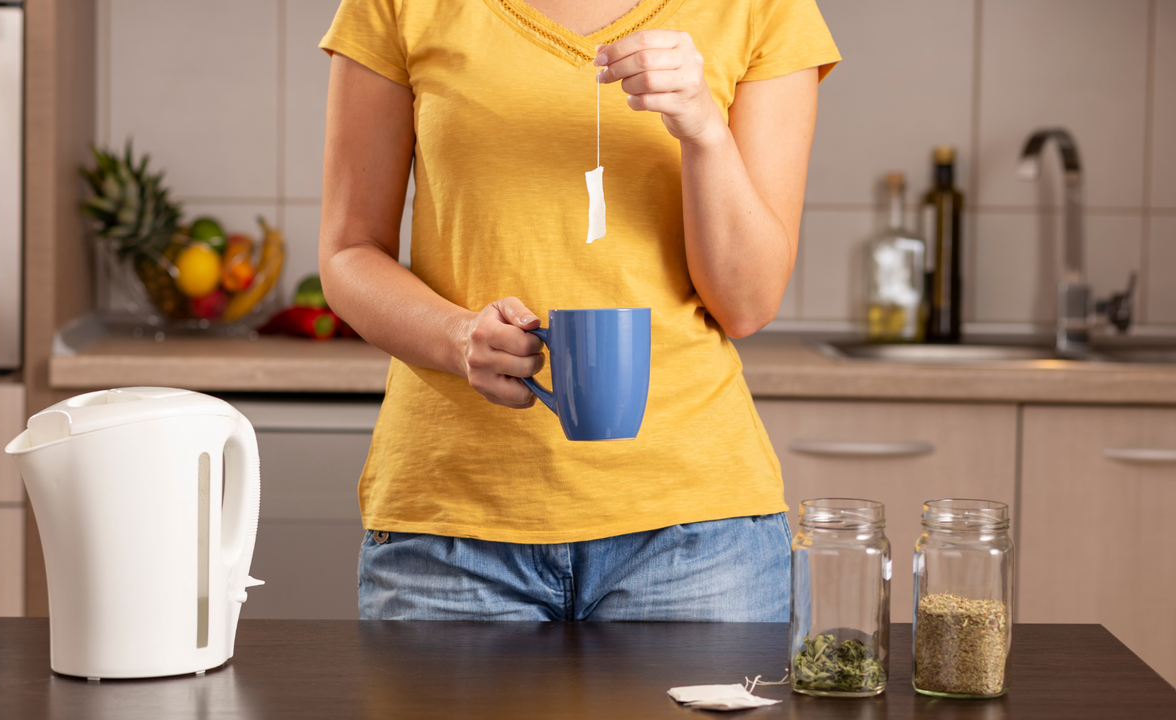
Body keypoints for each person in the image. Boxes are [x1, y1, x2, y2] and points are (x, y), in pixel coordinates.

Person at [317, 0, 840, 621]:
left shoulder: (764, 8)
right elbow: (349, 251)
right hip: (450, 529)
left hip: (698, 538)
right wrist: (458, 337)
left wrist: (704, 129)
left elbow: (748, 304)